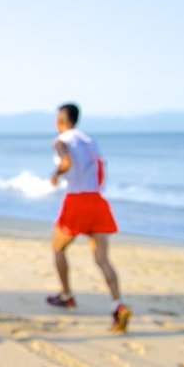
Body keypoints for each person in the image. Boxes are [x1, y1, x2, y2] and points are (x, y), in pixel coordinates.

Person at [46, 103, 132, 332]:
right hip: (97, 200)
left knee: (58, 248)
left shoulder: (61, 140)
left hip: (76, 200)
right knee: (102, 259)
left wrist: (56, 175)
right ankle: (117, 305)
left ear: (61, 120)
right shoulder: (90, 141)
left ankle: (66, 295)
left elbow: (66, 162)